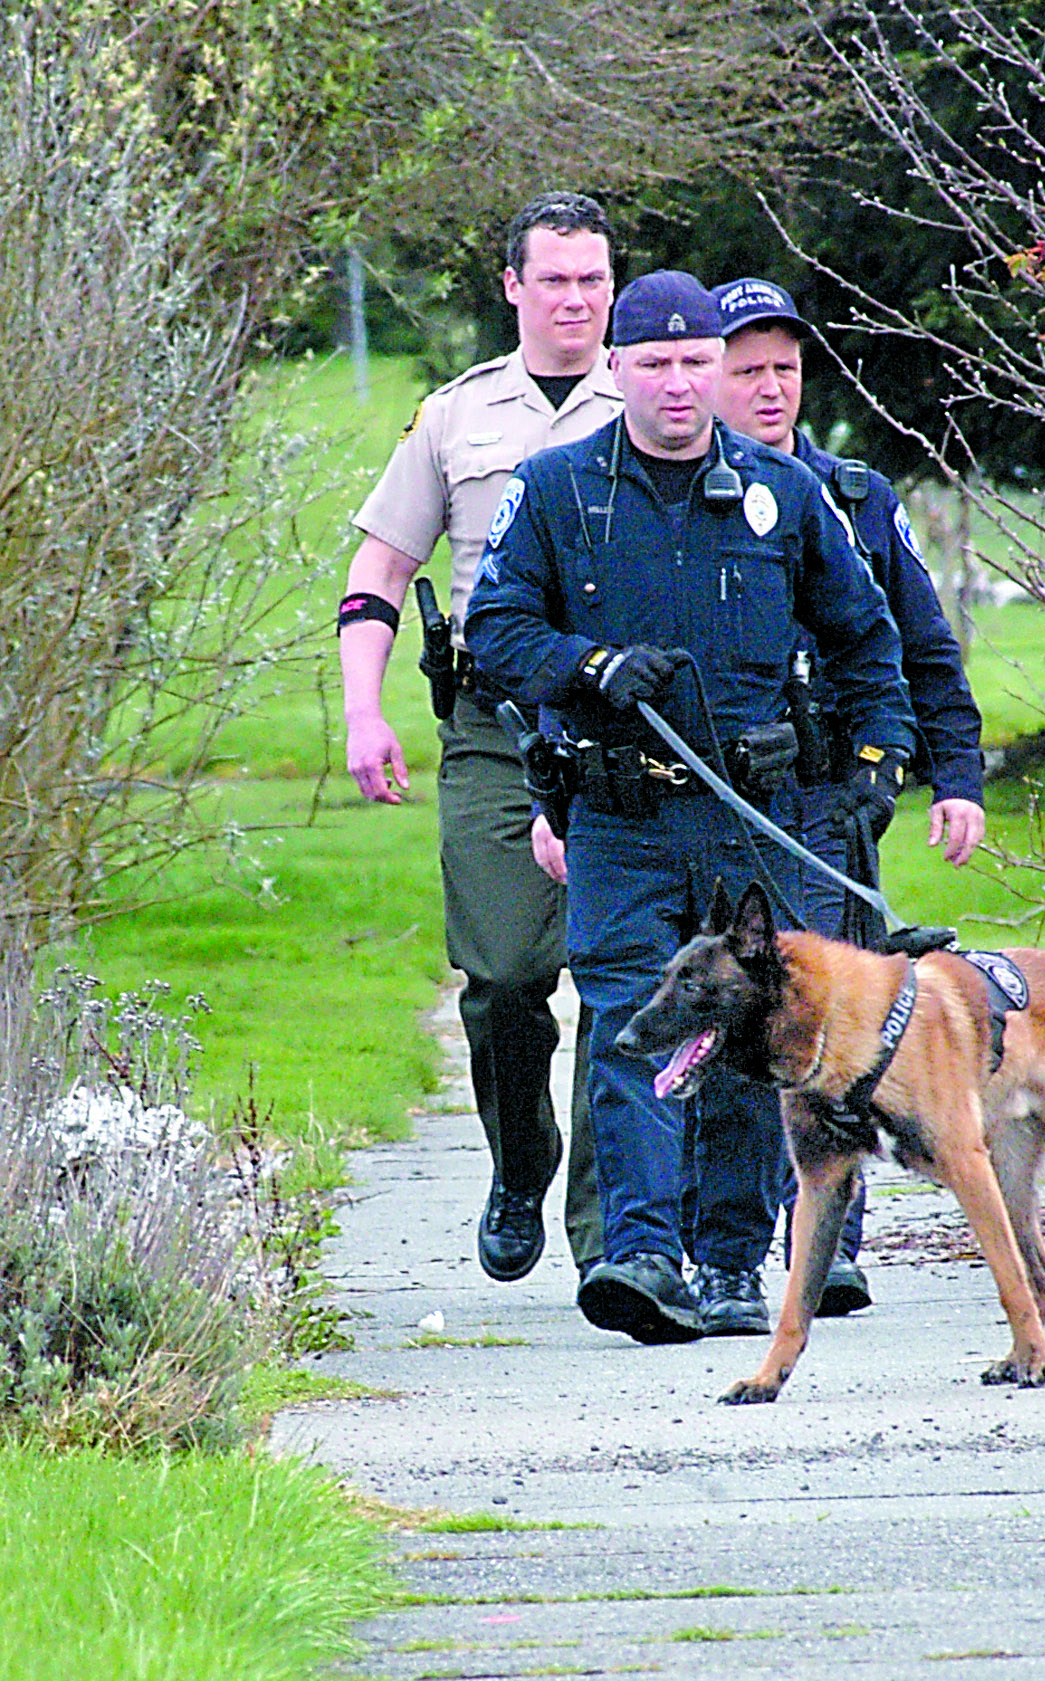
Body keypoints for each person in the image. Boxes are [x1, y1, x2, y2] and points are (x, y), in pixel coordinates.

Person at [464, 269, 917, 1345]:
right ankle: (640, 1252)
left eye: (695, 361)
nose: (678, 383)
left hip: (753, 820)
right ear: (615, 368)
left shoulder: (783, 496)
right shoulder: (559, 489)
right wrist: (587, 665)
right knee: (631, 1019)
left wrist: (871, 768)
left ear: (717, 369)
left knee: (750, 1037)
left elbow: (868, 641)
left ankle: (724, 1260)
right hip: (620, 816)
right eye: (655, 362)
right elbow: (494, 631)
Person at [338, 192, 620, 1289]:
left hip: (622, 725)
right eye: (553, 279)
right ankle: (521, 1162)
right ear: (512, 287)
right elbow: (380, 570)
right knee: (507, 974)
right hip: (497, 730)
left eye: (592, 279)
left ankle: (613, 1231)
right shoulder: (457, 417)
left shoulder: (646, 400)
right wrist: (365, 712)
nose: (575, 299)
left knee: (624, 974)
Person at [711, 276, 987, 1315]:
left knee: (846, 1020)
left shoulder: (860, 497)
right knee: (742, 1015)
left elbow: (921, 646)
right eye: (749, 369)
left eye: (784, 367)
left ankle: (832, 1243)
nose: (770, 387)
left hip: (833, 793)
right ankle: (731, 1247)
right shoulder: (685, 494)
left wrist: (950, 777)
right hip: (728, 794)